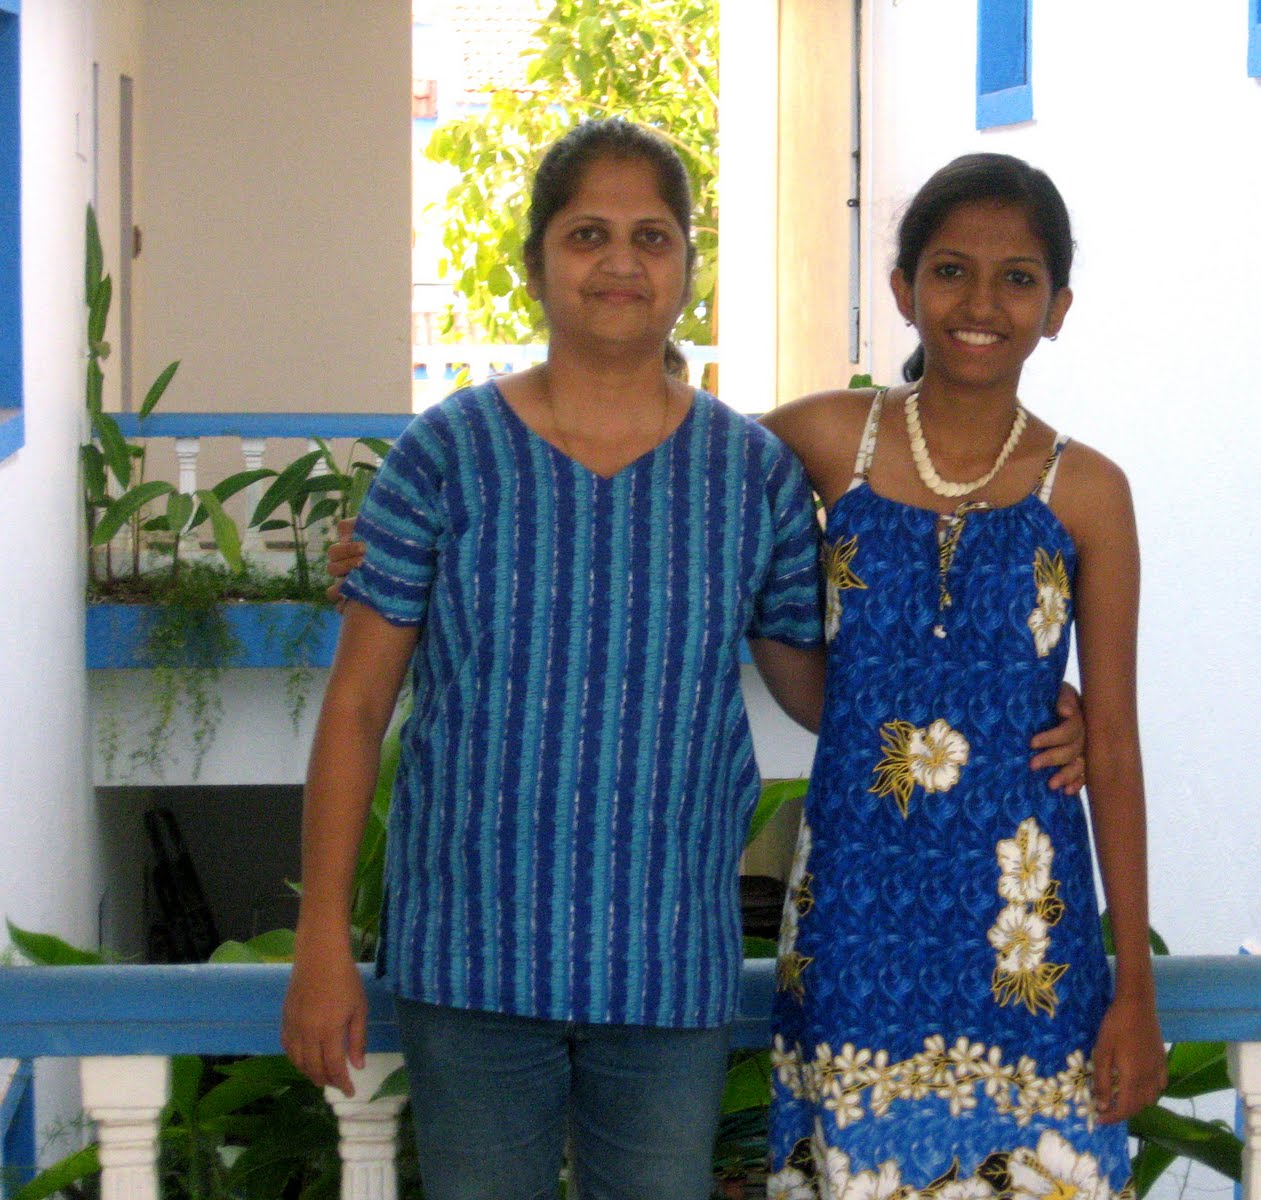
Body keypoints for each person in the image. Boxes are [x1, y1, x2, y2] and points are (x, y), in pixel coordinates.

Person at [286, 119, 1088, 1200]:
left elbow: (826, 695)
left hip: (668, 966)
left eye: (651, 237)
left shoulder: (748, 472)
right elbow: (353, 710)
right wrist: (321, 940)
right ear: (535, 262)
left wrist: (1018, 702)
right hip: (469, 958)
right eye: (587, 234)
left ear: (687, 267)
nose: (620, 262)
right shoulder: (446, 456)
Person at [758, 153, 1165, 1197]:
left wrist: (1134, 990)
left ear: (1057, 308)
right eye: (950, 271)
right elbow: (671, 482)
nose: (981, 304)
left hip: (1025, 934)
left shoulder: (1090, 494)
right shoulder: (827, 441)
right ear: (904, 289)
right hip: (857, 916)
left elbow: (1115, 747)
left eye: (1017, 278)